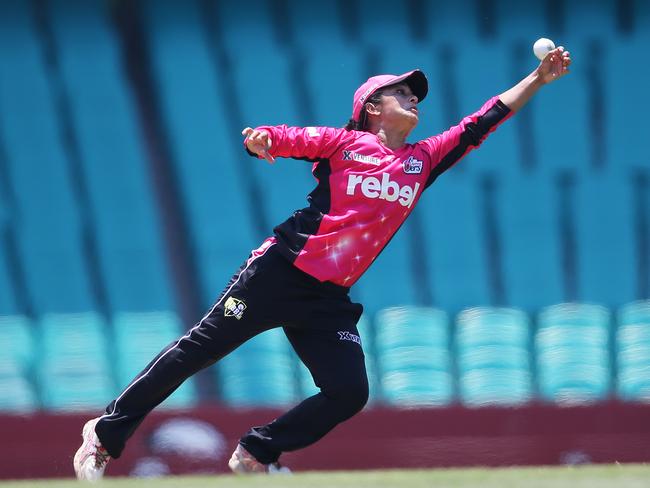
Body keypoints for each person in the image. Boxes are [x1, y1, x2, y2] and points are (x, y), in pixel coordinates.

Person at [74, 46, 571, 479]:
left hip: (327, 297)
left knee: (348, 391)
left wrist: (538, 79)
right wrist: (261, 140)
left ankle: (255, 452)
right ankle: (103, 435)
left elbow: (483, 120)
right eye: (401, 92)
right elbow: (285, 136)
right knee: (195, 352)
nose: (414, 98)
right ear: (372, 108)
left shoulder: (424, 160)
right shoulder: (345, 143)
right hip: (278, 272)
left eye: (416, 93)